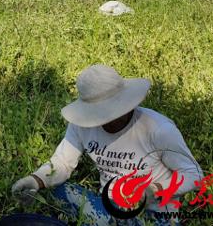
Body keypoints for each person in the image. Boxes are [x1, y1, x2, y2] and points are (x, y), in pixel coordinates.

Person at [11, 65, 202, 225]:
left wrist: (155, 189)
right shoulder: (81, 124)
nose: (108, 120)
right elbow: (62, 163)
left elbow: (194, 175)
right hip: (108, 208)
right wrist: (36, 180)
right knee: (57, 190)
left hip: (155, 215)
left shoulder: (158, 128)